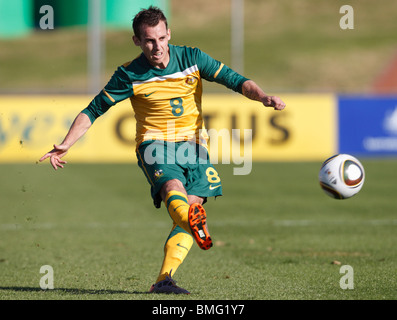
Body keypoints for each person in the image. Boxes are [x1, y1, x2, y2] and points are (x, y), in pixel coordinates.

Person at [39, 6, 286, 294]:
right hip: (154, 144)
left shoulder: (192, 58)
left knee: (189, 211)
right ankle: (190, 226)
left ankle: (163, 280)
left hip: (195, 147)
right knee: (174, 191)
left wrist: (263, 97)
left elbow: (235, 80)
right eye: (148, 41)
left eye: (160, 38)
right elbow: (93, 110)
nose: (156, 47)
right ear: (137, 41)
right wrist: (67, 143)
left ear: (169, 34)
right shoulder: (129, 74)